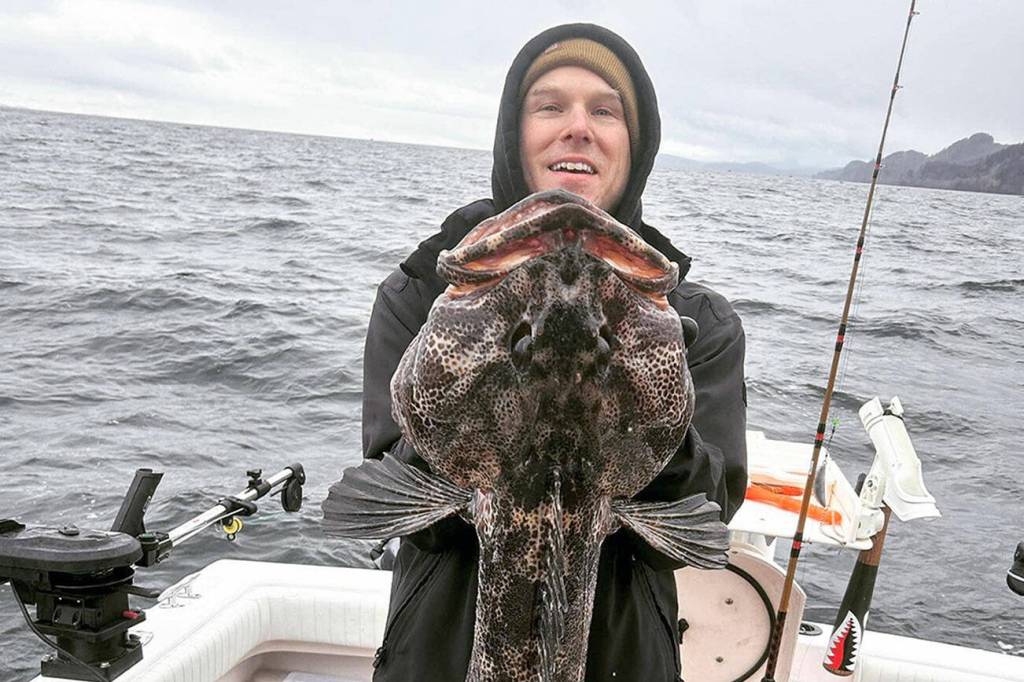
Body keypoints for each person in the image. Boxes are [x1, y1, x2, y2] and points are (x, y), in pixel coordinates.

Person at [360, 22, 747, 682]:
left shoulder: (695, 320)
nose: (578, 127)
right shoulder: (424, 288)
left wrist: (644, 395)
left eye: (605, 110)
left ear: (637, 143)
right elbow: (393, 494)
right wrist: (469, 388)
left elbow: (710, 509)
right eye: (549, 106)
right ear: (515, 133)